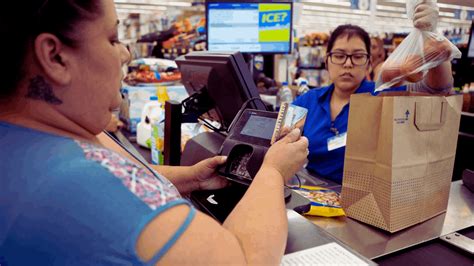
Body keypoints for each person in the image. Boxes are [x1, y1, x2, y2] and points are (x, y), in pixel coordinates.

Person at [0, 0, 309, 265]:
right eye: (112, 38)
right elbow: (245, 259)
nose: (125, 55)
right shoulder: (81, 184)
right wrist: (273, 171)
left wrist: (191, 178)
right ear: (55, 56)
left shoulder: (21, 140)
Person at [293, 1, 453, 184]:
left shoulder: (383, 96)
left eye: (358, 56)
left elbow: (435, 90)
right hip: (313, 194)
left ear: (369, 63)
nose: (347, 63)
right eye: (339, 55)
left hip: (367, 200)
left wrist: (432, 35)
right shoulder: (308, 101)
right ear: (327, 61)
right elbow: (278, 137)